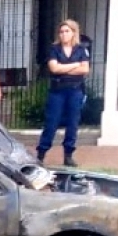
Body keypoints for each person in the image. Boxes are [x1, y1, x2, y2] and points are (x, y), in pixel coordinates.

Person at [36, 19, 90, 167]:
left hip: (75, 90)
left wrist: (63, 67)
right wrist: (74, 65)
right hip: (57, 91)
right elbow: (54, 69)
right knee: (51, 123)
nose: (64, 34)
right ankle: (41, 154)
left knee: (72, 123)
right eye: (61, 32)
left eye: (67, 31)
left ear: (73, 33)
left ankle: (68, 155)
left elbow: (85, 69)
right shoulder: (54, 49)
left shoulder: (81, 49)